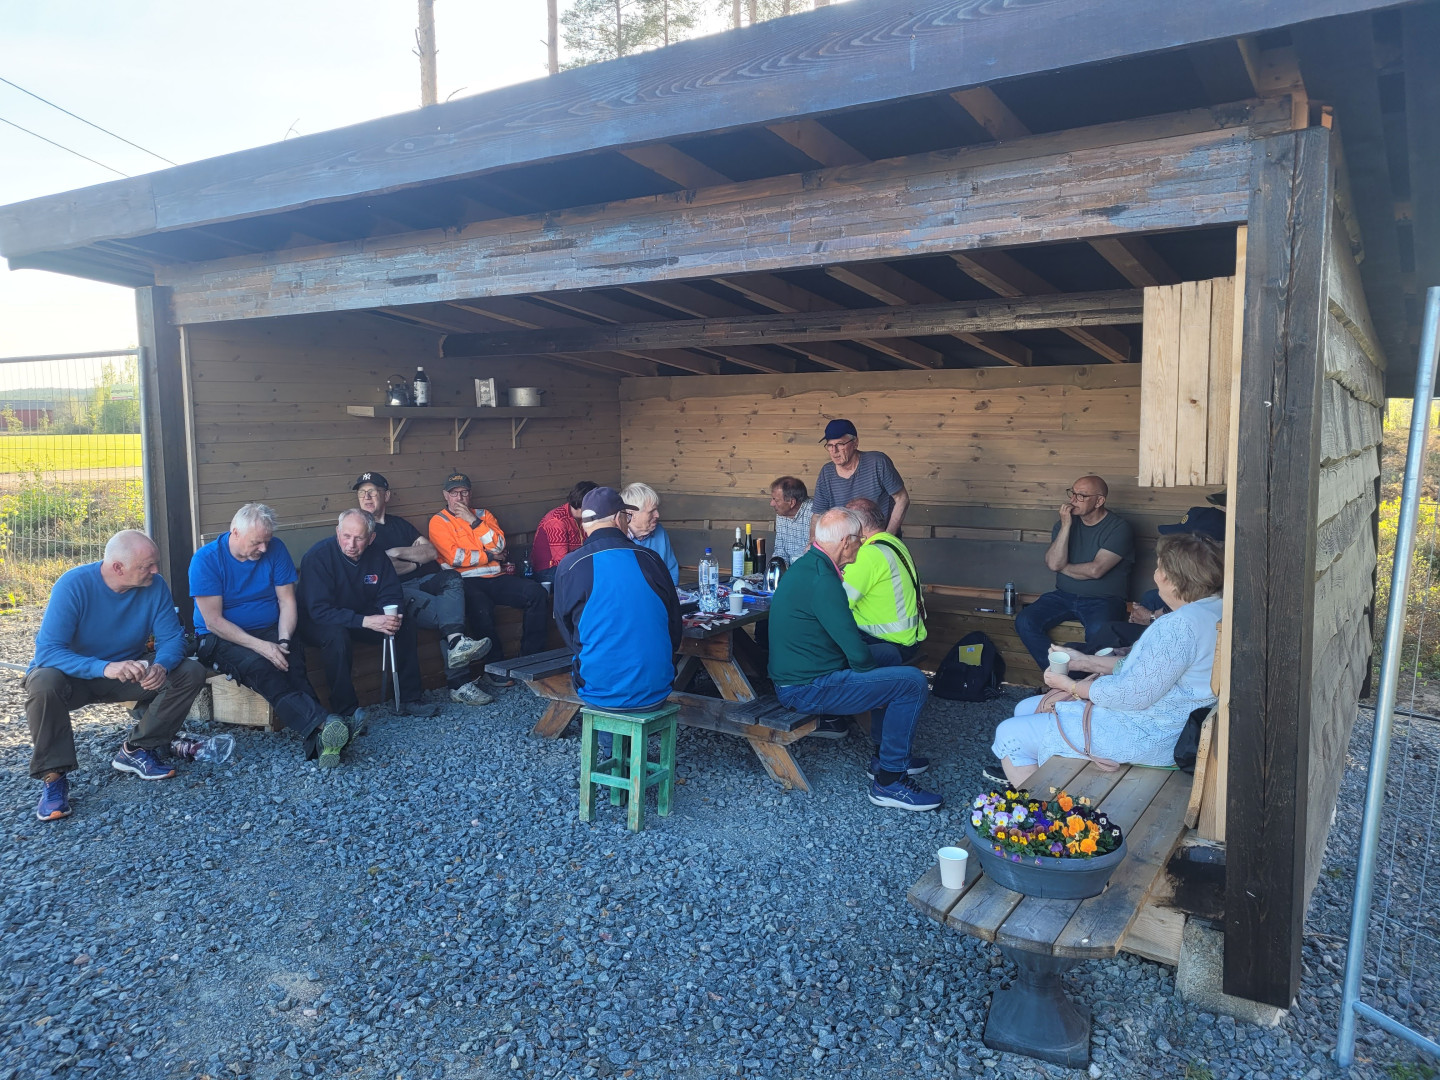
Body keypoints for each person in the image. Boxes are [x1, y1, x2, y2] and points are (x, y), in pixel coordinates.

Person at [991, 533, 1224, 788]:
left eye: (1159, 567)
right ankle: (1036, 776)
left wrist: (1071, 686)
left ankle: (1041, 809)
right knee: (1025, 708)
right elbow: (1150, 670)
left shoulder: (1179, 625)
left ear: (1167, 577)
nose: (1155, 573)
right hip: (1172, 723)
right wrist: (1084, 662)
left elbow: (1132, 694)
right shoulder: (1214, 609)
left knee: (1009, 734)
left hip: (1152, 733)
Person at [25, 530, 207, 820]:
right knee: (43, 681)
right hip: (73, 679)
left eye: (156, 563)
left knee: (189, 671)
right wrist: (104, 667)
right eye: (147, 566)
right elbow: (48, 652)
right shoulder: (73, 585)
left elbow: (172, 638)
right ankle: (53, 777)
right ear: (118, 567)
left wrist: (160, 666)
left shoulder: (154, 586)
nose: (155, 571)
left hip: (127, 676)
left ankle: (138, 748)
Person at [768, 508, 940, 811]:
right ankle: (890, 781)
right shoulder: (824, 580)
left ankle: (884, 755)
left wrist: (877, 683)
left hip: (806, 672)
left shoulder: (809, 565)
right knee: (912, 683)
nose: (863, 544)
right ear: (846, 542)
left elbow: (851, 645)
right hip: (805, 687)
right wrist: (876, 686)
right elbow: (857, 654)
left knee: (889, 655)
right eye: (860, 540)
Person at [191, 503, 354, 768]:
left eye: (267, 541)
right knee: (262, 668)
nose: (264, 548)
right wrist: (263, 647)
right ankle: (326, 724)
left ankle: (322, 740)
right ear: (235, 532)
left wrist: (283, 641)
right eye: (257, 542)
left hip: (270, 627)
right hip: (220, 637)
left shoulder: (276, 548)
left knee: (292, 663)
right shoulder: (206, 559)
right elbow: (214, 622)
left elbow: (287, 602)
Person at [354, 471, 494, 705]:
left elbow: (430, 552)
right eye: (362, 493)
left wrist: (397, 553)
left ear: (386, 496)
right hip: (394, 592)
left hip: (424, 580)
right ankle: (459, 683)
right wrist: (414, 559)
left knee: (451, 577)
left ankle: (456, 644)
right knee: (450, 615)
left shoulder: (399, 524)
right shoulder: (359, 530)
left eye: (373, 492)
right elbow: (381, 571)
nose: (367, 497)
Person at [553, 486, 681, 721]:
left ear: (586, 524)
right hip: (658, 688)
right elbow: (675, 626)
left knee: (594, 664)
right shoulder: (651, 559)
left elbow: (567, 630)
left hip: (598, 690)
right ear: (617, 518)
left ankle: (610, 741)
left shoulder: (570, 565)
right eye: (626, 515)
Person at [297, 509, 438, 720]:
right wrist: (365, 621)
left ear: (371, 538)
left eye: (359, 538)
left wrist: (393, 615)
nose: (351, 544)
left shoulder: (377, 555)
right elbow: (319, 611)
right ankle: (346, 710)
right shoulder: (318, 557)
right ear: (337, 532)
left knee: (404, 624)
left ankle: (409, 697)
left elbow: (390, 593)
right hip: (317, 620)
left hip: (358, 615)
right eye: (346, 536)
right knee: (337, 636)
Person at [1014, 475, 1134, 669]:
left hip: (1104, 600)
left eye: (1081, 496)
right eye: (1072, 493)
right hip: (1063, 595)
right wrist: (1066, 526)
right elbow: (1053, 562)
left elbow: (1096, 570)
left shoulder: (1119, 528)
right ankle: (1057, 674)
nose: (1072, 500)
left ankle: (1084, 681)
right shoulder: (1064, 524)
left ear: (1099, 501)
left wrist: (1062, 567)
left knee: (1099, 632)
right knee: (1025, 620)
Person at [428, 472, 551, 662]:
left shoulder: (483, 515)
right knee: (480, 609)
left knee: (537, 593)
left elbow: (499, 546)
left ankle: (531, 657)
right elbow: (455, 558)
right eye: (454, 493)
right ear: (446, 495)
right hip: (464, 581)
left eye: (464, 492)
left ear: (470, 494)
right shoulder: (439, 521)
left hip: (497, 578)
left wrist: (473, 521)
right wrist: (490, 556)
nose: (459, 498)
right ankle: (496, 666)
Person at [1095, 505, 1226, 649]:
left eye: (1185, 542)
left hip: (1189, 632)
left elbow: (1195, 607)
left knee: (1111, 631)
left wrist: (1152, 617)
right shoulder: (1204, 564)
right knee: (1151, 597)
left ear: (1206, 544)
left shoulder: (1216, 571)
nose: (1176, 545)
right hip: (1176, 616)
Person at [842, 498, 927, 666]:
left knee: (821, 646)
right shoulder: (892, 542)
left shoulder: (866, 555)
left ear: (858, 526)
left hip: (887, 643)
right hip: (910, 640)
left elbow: (837, 602)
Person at [811, 419, 909, 535]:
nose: (834, 451)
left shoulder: (877, 462)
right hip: (845, 542)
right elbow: (817, 515)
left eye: (840, 444)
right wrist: (812, 542)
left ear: (855, 443)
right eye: (830, 445)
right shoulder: (826, 472)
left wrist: (886, 537)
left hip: (877, 537)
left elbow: (902, 499)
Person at [530, 480, 598, 585]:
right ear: (585, 504)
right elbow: (562, 562)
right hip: (548, 571)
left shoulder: (585, 518)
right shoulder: (557, 520)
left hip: (576, 565)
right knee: (591, 578)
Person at [621, 482, 679, 585]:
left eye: (656, 509)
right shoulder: (617, 539)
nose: (657, 515)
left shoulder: (660, 532)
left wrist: (672, 593)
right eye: (651, 511)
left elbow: (671, 570)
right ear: (631, 514)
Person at [769, 476, 814, 568]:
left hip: (809, 570)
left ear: (792, 502)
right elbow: (780, 550)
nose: (771, 504)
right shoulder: (782, 513)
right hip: (790, 571)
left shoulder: (815, 514)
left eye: (776, 500)